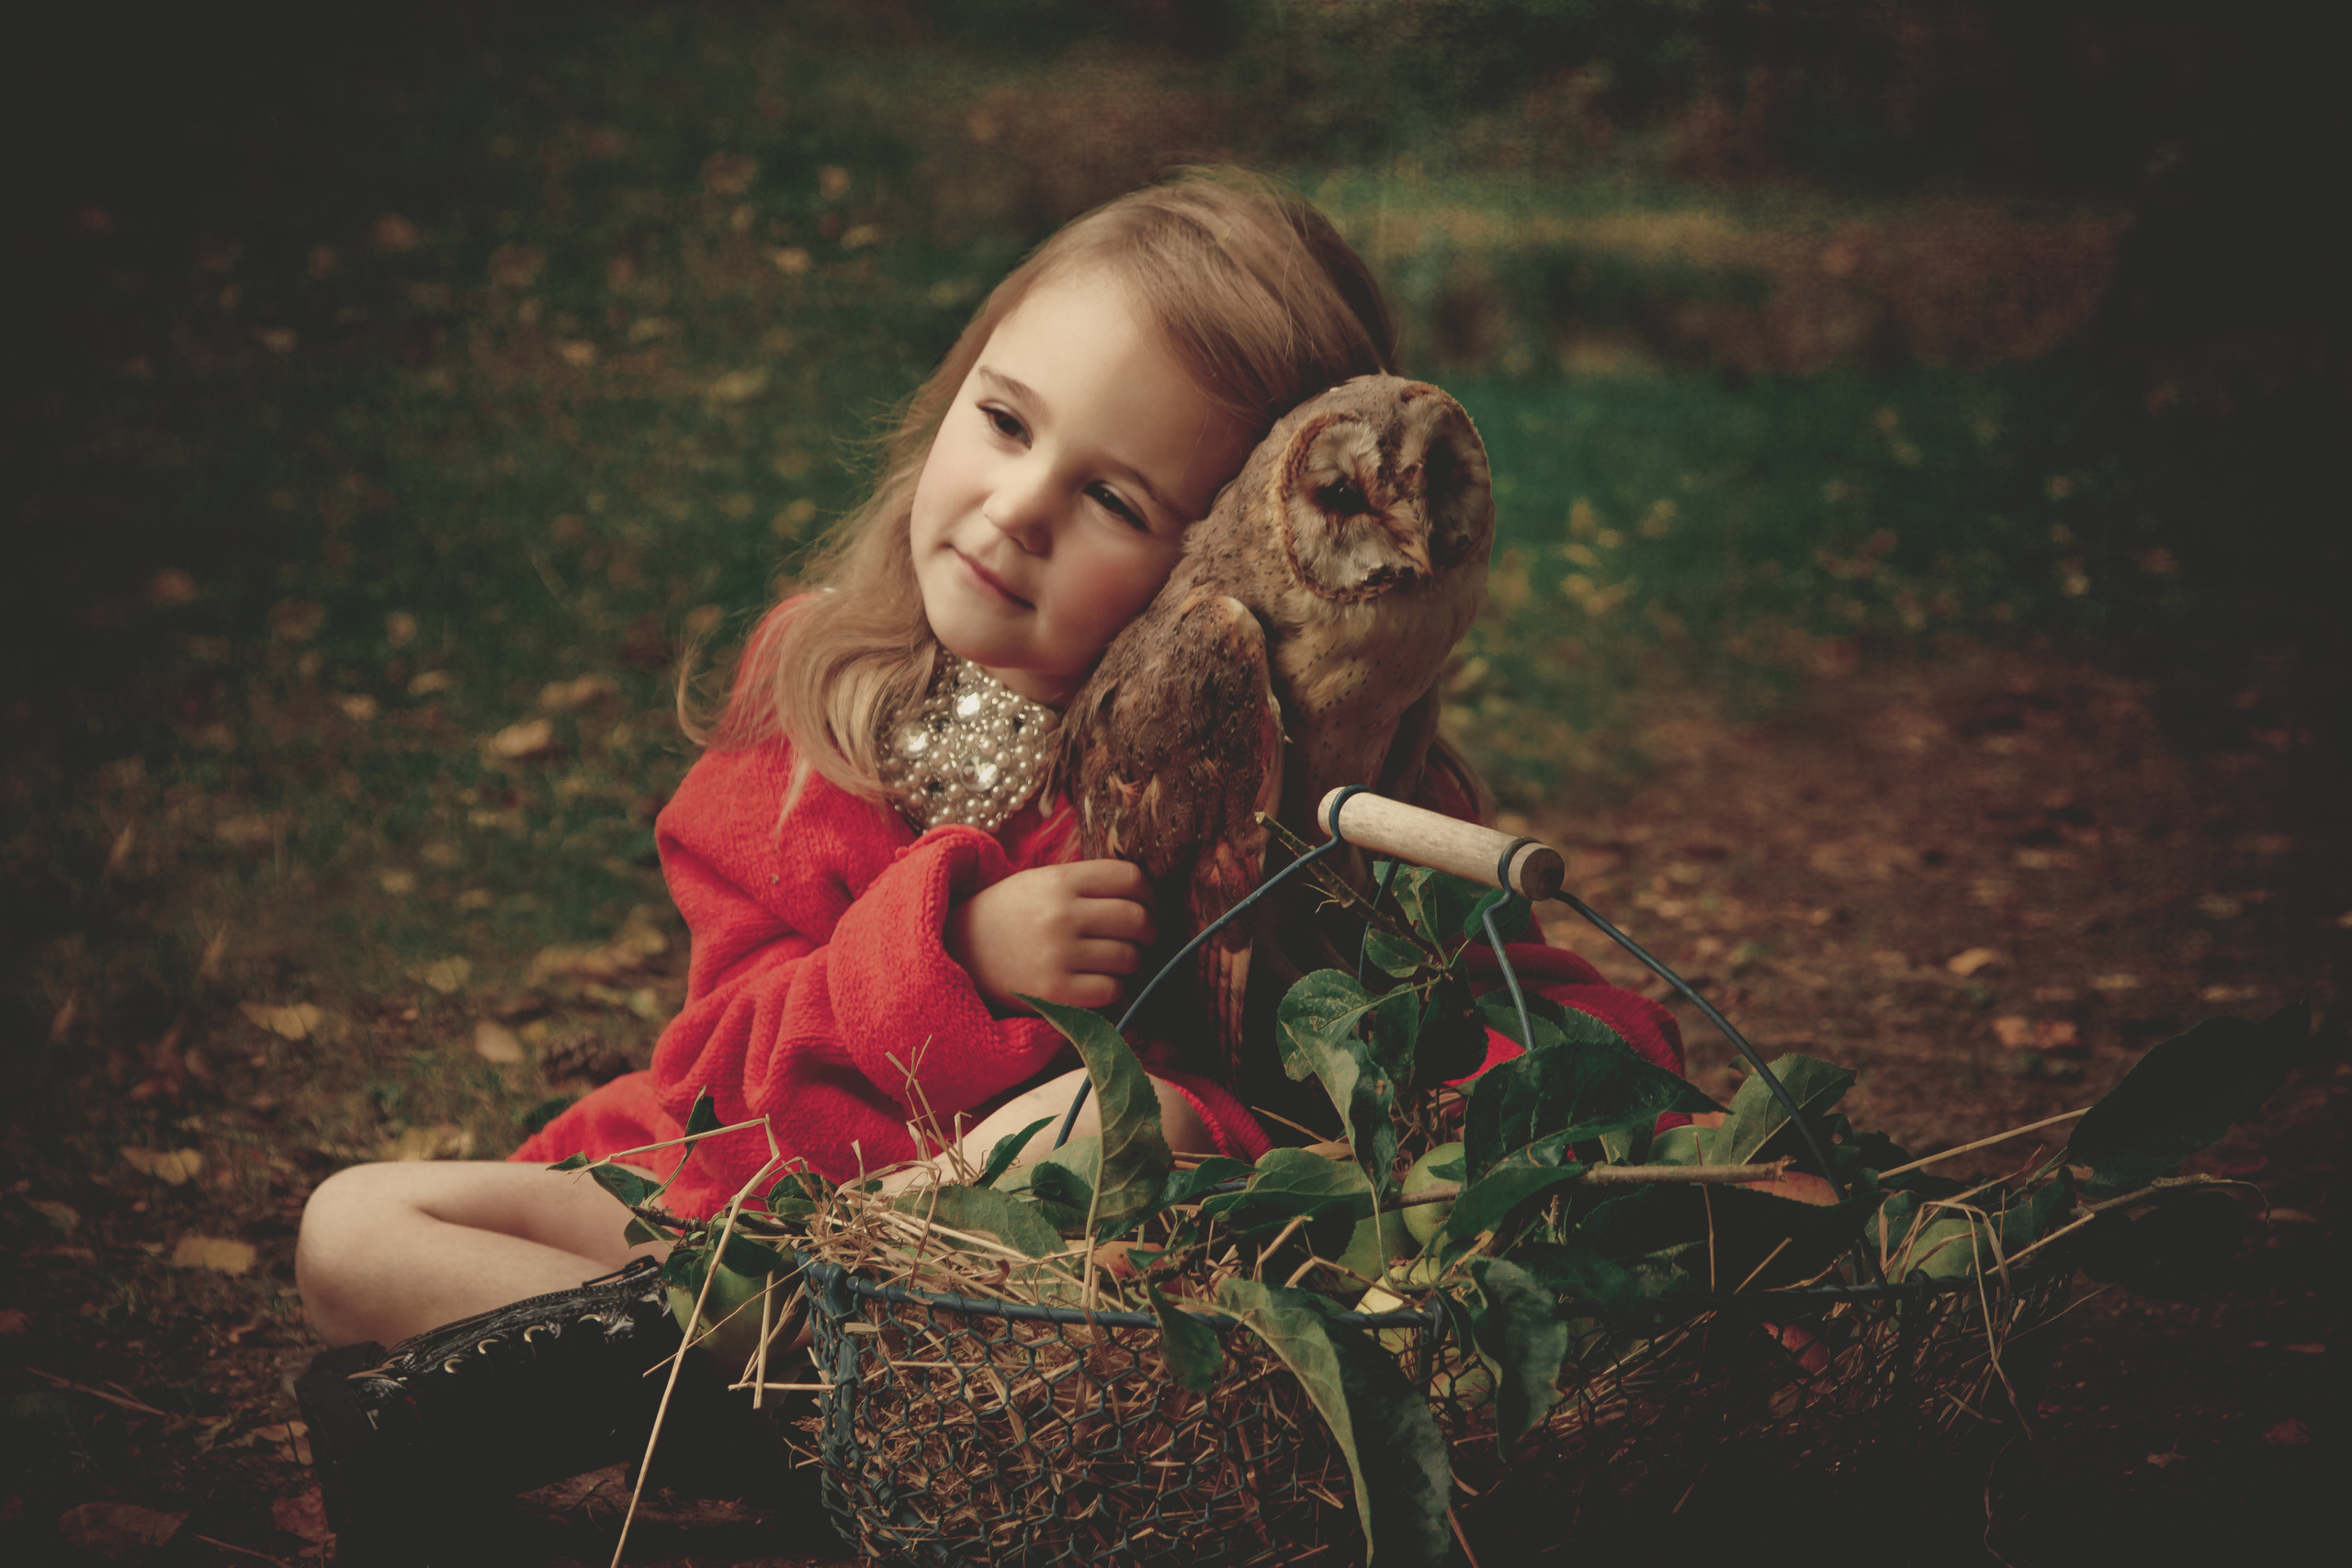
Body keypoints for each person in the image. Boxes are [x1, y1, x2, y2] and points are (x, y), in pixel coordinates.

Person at [291, 168, 1688, 1539]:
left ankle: (718, 1396)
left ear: (1237, 565)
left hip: (1040, 1302)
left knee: (1113, 1121)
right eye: (1006, 421)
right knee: (353, 1231)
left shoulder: (1302, 785)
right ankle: (788, 1400)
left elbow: (1538, 1022)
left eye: (1118, 504)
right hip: (746, 1210)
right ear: (951, 390)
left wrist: (1610, 1136)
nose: (1019, 507)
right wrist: (949, 951)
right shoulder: (820, 685)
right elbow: (718, 1057)